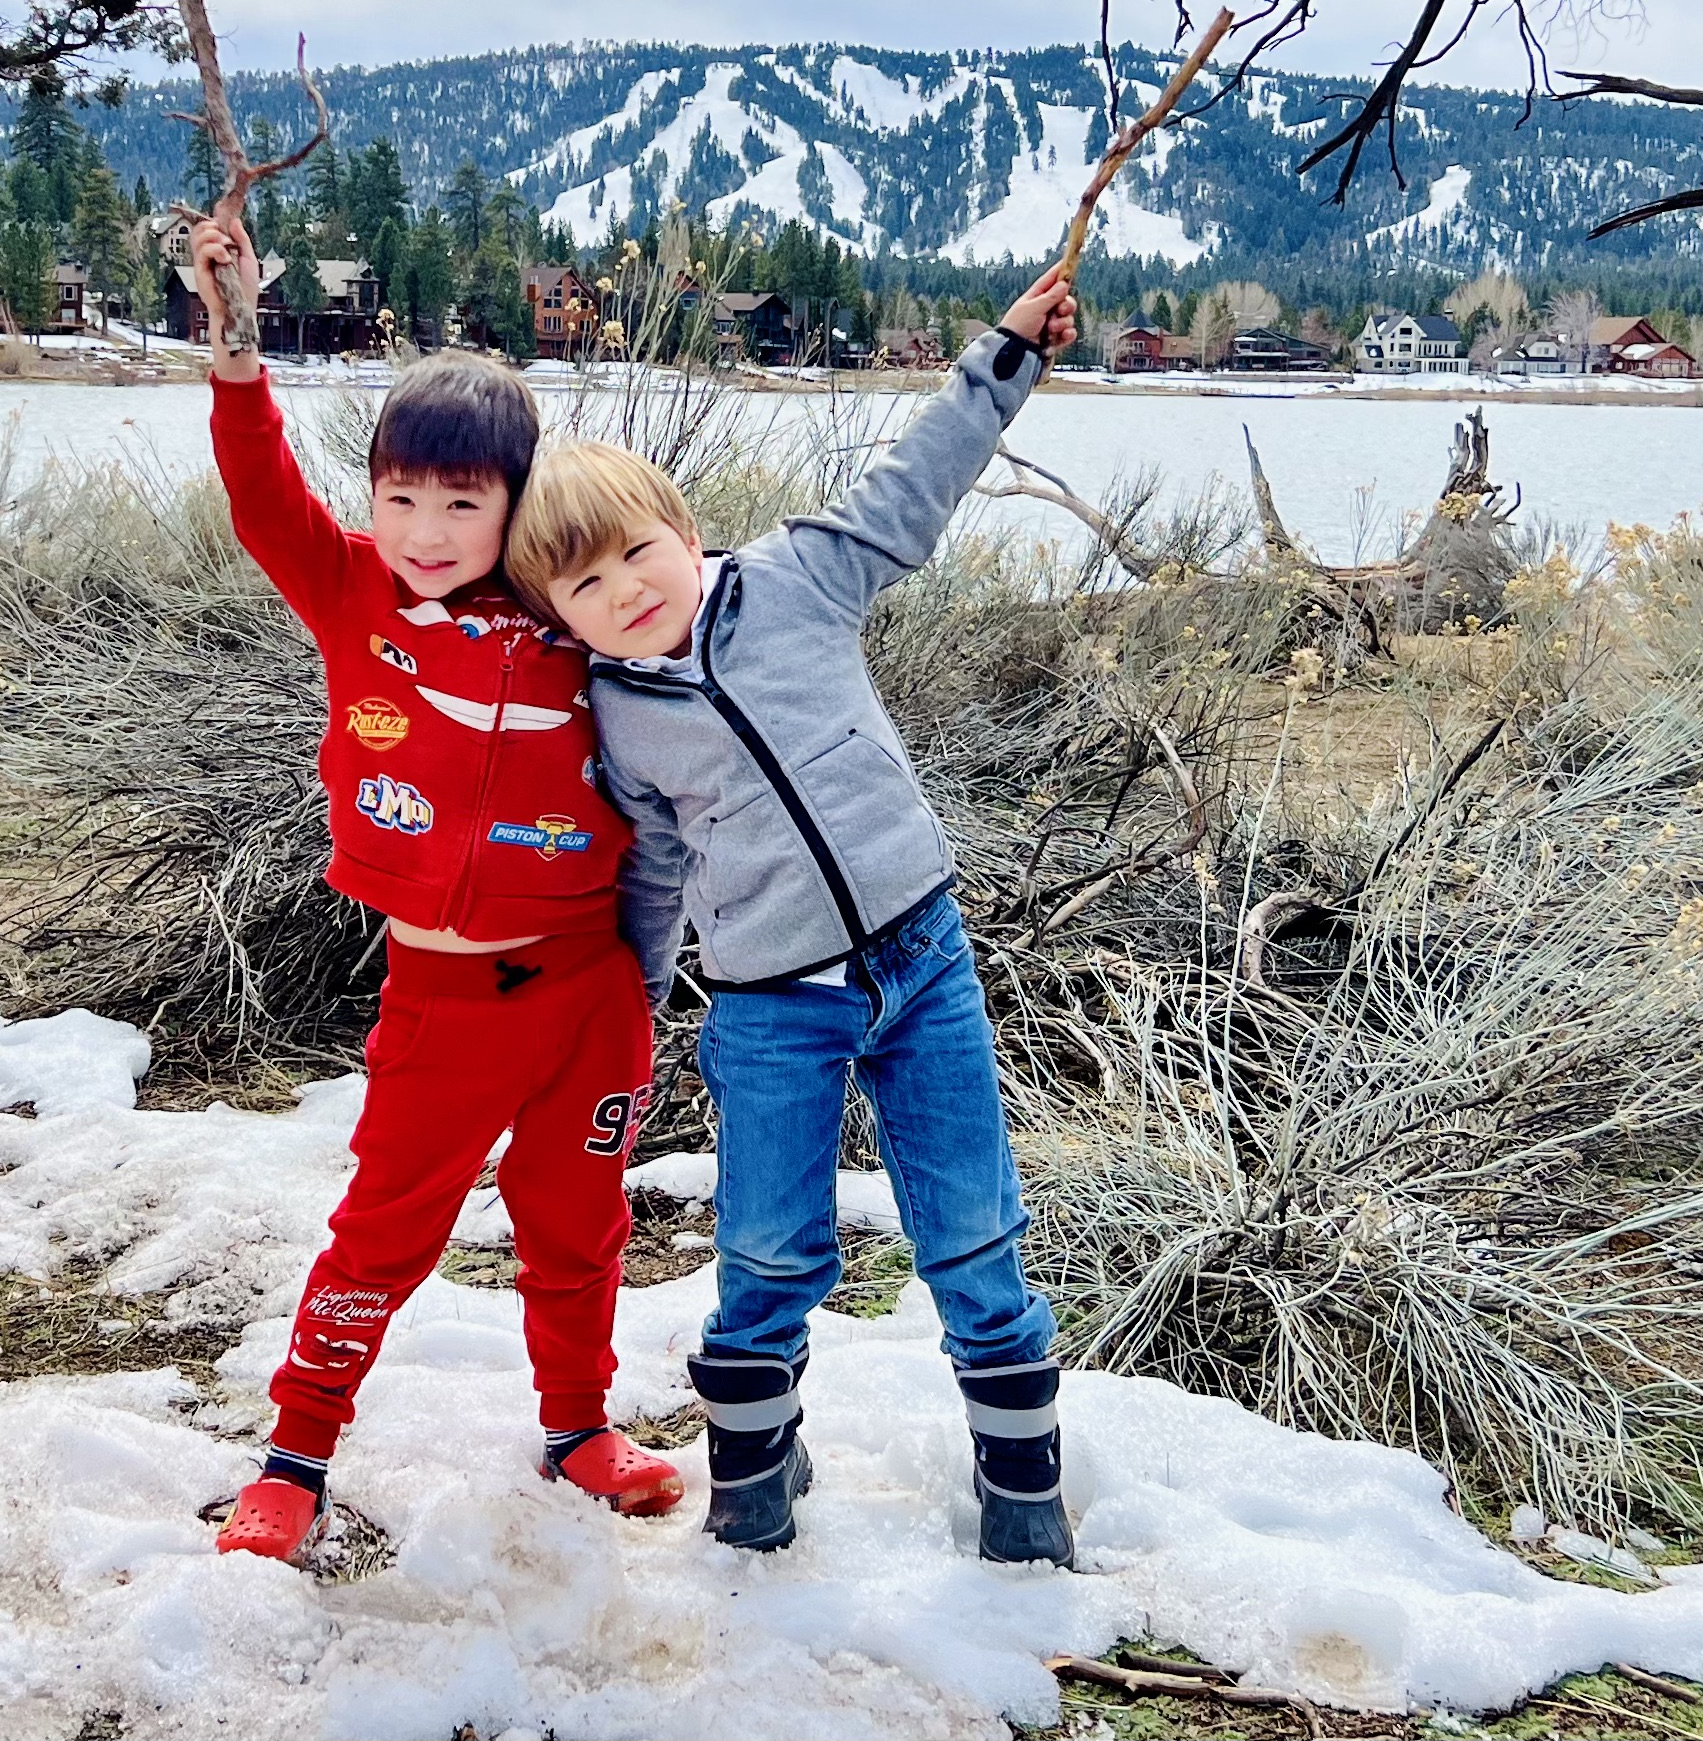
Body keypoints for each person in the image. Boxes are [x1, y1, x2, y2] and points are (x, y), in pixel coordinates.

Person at [502, 268, 1081, 1562]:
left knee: (974, 1228)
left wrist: (1007, 357)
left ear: (683, 526)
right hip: (769, 1004)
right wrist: (625, 1019)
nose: (627, 590)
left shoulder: (796, 579)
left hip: (922, 958)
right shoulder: (617, 716)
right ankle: (755, 1479)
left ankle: (1023, 1494)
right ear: (559, 614)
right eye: (587, 586)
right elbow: (649, 877)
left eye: (639, 552)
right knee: (768, 1247)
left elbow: (913, 483)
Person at [191, 216, 683, 1559]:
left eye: (462, 504)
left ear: (517, 508)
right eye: (399, 497)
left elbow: (692, 634)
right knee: (381, 1234)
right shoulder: (348, 590)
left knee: (580, 1223)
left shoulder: (573, 619)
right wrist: (236, 347)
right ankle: (296, 1452)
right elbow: (257, 492)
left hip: (591, 992)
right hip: (443, 1001)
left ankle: (580, 1428)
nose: (422, 530)